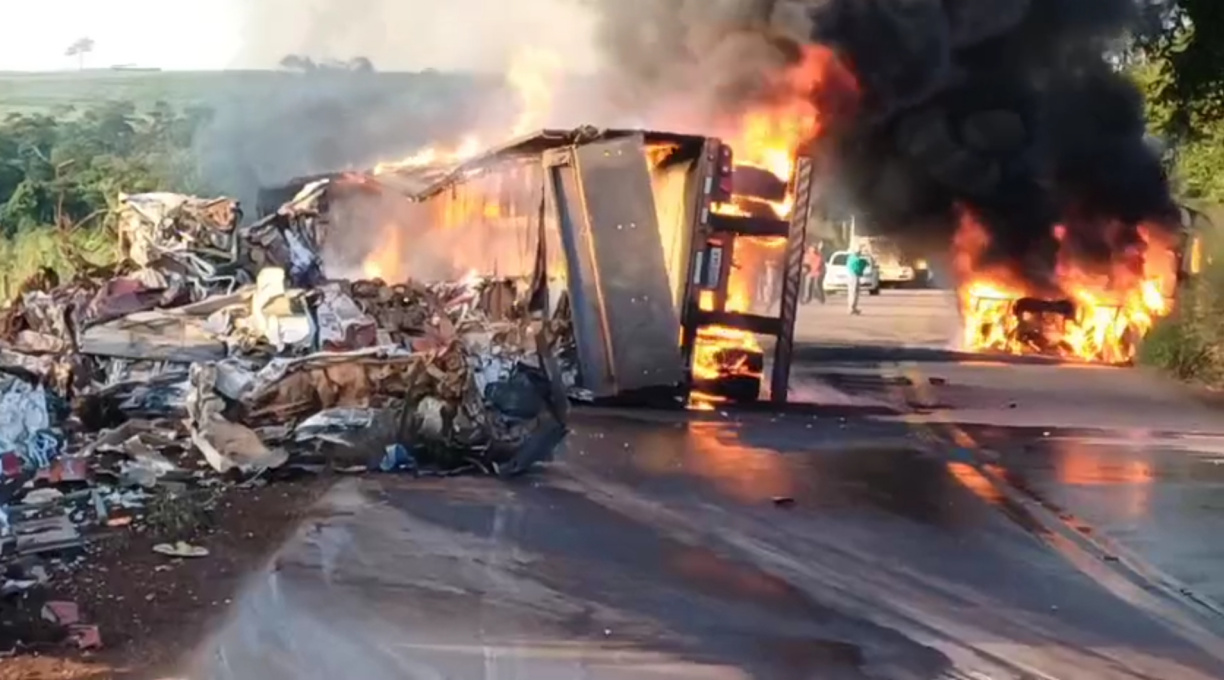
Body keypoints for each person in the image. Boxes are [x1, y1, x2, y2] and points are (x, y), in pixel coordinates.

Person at [846, 245, 869, 315]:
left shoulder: (851, 258)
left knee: (853, 292)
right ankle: (852, 308)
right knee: (854, 292)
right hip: (854, 276)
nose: (860, 253)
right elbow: (862, 263)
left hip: (851, 276)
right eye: (859, 252)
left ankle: (853, 307)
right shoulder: (855, 259)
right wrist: (865, 262)